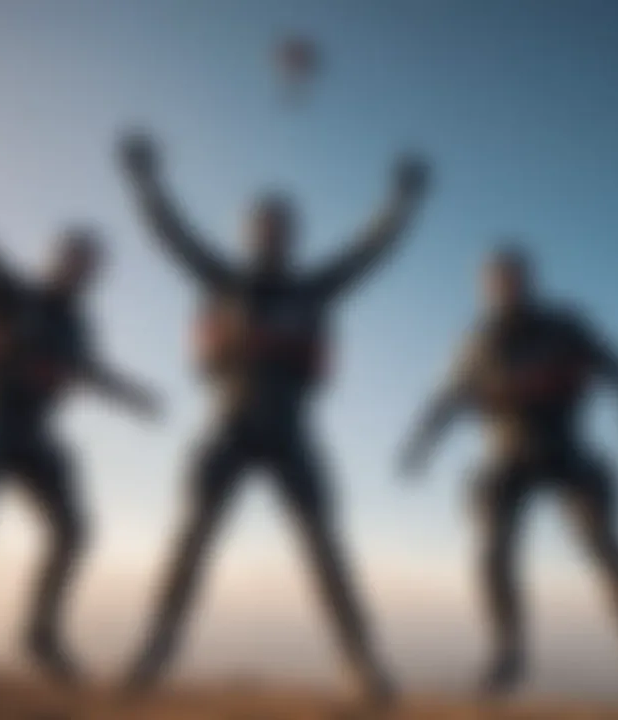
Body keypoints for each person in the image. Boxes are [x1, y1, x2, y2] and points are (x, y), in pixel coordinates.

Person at [117, 131, 431, 705]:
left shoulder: (313, 288)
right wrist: (147, 183)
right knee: (193, 538)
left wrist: (400, 205)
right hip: (230, 425)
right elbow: (173, 236)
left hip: (290, 431)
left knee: (323, 545)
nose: (270, 234)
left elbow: (368, 252)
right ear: (249, 235)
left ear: (291, 237)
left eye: (280, 227)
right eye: (262, 226)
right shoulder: (223, 280)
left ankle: (362, 664)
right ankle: (155, 650)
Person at [0, 142, 162, 682]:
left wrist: (134, 396)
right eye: (71, 260)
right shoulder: (12, 292)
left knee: (73, 531)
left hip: (35, 436)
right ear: (54, 261)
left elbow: (90, 371)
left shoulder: (78, 327)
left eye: (89, 266)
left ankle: (40, 634)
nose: (79, 271)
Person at [398, 245, 618, 695]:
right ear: (485, 289)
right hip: (508, 457)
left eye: (512, 278)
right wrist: (420, 446)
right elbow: (449, 398)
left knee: (607, 547)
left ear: (527, 281)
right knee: (492, 551)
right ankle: (508, 651)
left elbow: (614, 364)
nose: (504, 288)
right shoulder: (479, 342)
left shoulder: (564, 327)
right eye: (494, 282)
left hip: (565, 449)